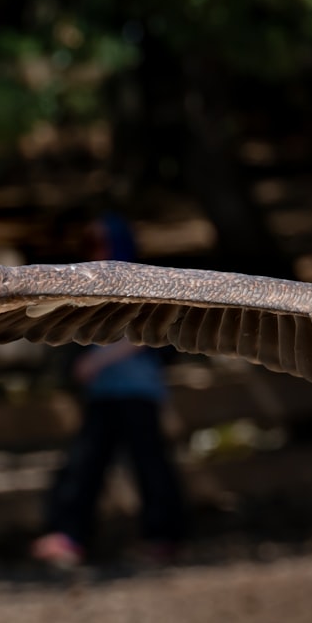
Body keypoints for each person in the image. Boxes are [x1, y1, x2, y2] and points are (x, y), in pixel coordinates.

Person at [32, 212, 186, 567]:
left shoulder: (142, 282)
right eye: (89, 244)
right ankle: (69, 535)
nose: (94, 251)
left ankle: (163, 537)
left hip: (137, 389)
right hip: (104, 392)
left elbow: (152, 334)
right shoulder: (91, 284)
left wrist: (97, 362)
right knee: (86, 462)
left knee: (149, 464)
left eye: (99, 243)